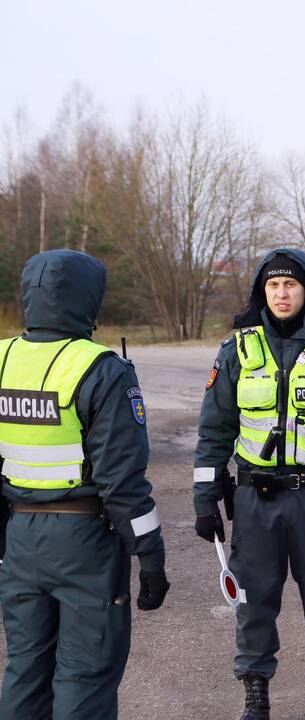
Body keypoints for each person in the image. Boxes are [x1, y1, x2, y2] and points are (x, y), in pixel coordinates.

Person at [193, 249, 305, 720]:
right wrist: (205, 498)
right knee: (254, 603)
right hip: (255, 501)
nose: (281, 293)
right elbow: (214, 430)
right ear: (261, 291)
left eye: (290, 285)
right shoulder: (236, 351)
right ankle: (256, 700)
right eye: (273, 286)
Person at [0, 250, 169, 720]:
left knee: (25, 669)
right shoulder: (101, 369)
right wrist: (150, 554)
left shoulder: (3, 358)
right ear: (88, 299)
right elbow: (122, 481)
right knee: (84, 674)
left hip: (19, 540)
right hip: (84, 544)